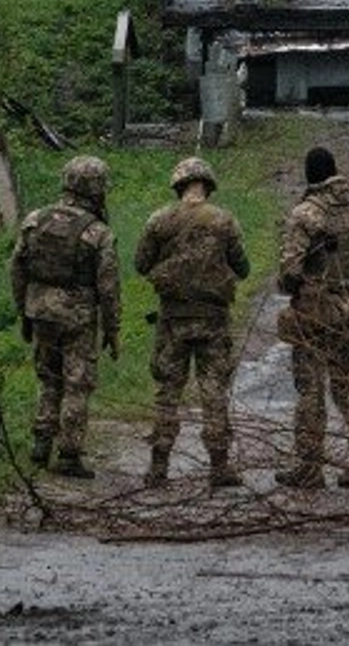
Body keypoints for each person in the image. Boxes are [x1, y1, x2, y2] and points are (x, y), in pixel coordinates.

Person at [132, 154, 252, 489]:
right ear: (208, 186)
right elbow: (242, 268)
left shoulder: (159, 221)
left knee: (167, 393)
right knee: (213, 392)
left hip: (173, 321)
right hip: (213, 321)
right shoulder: (224, 221)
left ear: (179, 185)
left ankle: (158, 468)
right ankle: (220, 466)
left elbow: (141, 264)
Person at [275, 145, 349, 489]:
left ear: (310, 175)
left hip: (314, 315)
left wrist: (290, 286)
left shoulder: (305, 215)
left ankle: (309, 468)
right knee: (347, 386)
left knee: (310, 389)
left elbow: (290, 271)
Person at [11, 154, 120, 479]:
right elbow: (109, 287)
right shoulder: (98, 233)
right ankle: (69, 454)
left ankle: (41, 444)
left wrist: (24, 312)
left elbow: (17, 268)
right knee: (77, 384)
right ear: (97, 188)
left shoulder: (34, 220)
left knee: (48, 378)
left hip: (40, 311)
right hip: (78, 317)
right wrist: (112, 330)